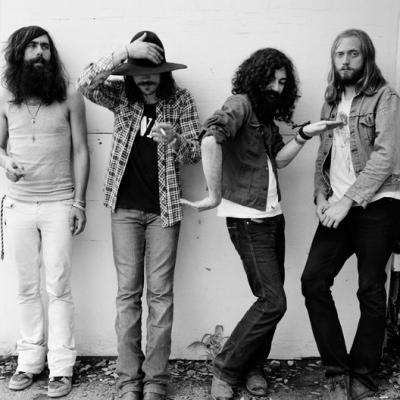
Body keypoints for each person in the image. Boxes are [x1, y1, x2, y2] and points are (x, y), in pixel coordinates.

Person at [182, 48, 342, 399]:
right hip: (248, 218)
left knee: (269, 299)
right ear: (256, 77)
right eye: (272, 79)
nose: (277, 87)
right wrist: (213, 193)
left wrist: (305, 134)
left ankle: (253, 366)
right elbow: (210, 138)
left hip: (272, 216)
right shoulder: (240, 103)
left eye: (283, 82)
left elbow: (279, 160)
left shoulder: (265, 117)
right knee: (274, 301)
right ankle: (225, 368)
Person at [77, 31, 201, 400]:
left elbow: (195, 153)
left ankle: (156, 380)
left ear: (165, 71)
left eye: (153, 72)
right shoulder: (120, 97)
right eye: (138, 71)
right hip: (124, 210)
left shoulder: (181, 100)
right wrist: (124, 52)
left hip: (165, 211)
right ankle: (128, 380)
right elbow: (84, 84)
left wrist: (175, 140)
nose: (146, 79)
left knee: (160, 296)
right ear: (129, 74)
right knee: (128, 296)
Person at [301, 28, 400, 400]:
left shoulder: (385, 98)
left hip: (378, 204)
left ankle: (363, 372)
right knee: (313, 281)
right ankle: (336, 370)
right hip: (338, 205)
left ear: (366, 57)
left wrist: (348, 200)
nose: (345, 60)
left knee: (370, 289)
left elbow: (386, 156)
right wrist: (320, 194)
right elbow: (323, 154)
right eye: (339, 54)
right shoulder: (330, 101)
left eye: (353, 53)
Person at [0, 25, 89, 398]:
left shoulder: (70, 95)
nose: (40, 53)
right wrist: (6, 162)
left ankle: (62, 368)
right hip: (18, 204)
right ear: (18, 54)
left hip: (59, 203)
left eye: (46, 47)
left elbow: (81, 150)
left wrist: (79, 202)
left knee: (58, 287)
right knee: (25, 287)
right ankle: (28, 362)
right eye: (32, 47)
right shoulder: (5, 96)